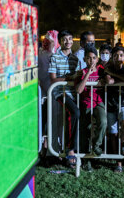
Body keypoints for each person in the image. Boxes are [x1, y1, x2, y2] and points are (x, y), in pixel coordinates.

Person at [48, 30, 80, 168]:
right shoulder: (54, 57)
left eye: (70, 39)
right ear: (60, 42)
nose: (67, 41)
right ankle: (70, 150)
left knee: (76, 116)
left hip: (74, 93)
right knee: (74, 113)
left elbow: (78, 77)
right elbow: (53, 79)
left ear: (73, 41)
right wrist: (68, 78)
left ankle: (78, 149)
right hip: (61, 92)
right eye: (64, 39)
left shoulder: (76, 59)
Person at [75, 45, 112, 156]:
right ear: (85, 59)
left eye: (93, 58)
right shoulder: (81, 72)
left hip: (98, 101)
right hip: (85, 102)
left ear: (97, 59)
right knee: (86, 128)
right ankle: (85, 156)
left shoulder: (102, 70)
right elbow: (79, 90)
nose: (91, 60)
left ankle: (96, 145)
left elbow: (108, 80)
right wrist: (88, 74)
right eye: (89, 58)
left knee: (103, 122)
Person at [104, 46, 124, 172]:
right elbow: (109, 82)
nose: (118, 58)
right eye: (115, 55)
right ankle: (118, 162)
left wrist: (115, 76)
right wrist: (117, 78)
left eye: (121, 55)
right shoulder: (107, 69)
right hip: (110, 104)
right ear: (112, 57)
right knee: (113, 133)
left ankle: (122, 145)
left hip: (123, 103)